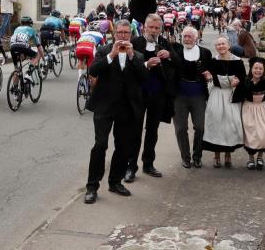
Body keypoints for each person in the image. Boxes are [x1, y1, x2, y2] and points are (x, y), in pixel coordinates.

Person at [84, 20, 147, 204]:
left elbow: (144, 78)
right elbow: (93, 71)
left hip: (126, 108)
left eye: (126, 33)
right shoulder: (104, 51)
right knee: (100, 145)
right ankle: (92, 186)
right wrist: (111, 55)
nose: (123, 36)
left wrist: (132, 57)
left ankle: (115, 181)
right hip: (104, 106)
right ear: (114, 33)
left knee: (123, 147)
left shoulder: (137, 55)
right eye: (119, 32)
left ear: (131, 35)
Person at [126, 14, 174, 181]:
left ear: (160, 29)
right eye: (151, 27)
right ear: (144, 27)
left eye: (157, 28)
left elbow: (176, 61)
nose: (154, 31)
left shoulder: (164, 43)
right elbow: (128, 66)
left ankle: (148, 163)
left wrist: (169, 55)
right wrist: (146, 65)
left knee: (152, 131)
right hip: (138, 94)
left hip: (157, 93)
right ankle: (131, 166)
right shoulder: (136, 42)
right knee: (135, 131)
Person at [170, 26, 213, 169]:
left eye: (189, 36)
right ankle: (185, 157)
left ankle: (197, 156)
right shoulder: (175, 50)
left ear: (196, 38)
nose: (186, 39)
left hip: (199, 95)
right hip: (179, 96)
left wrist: (209, 77)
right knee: (181, 128)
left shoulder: (205, 53)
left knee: (200, 127)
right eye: (185, 36)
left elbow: (211, 71)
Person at [201, 35, 245, 169]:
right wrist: (209, 77)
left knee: (230, 124)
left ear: (229, 45)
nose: (221, 46)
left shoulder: (238, 61)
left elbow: (243, 78)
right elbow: (208, 75)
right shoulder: (213, 60)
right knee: (217, 123)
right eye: (218, 44)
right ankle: (217, 155)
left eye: (223, 44)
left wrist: (238, 81)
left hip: (231, 96)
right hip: (217, 94)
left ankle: (228, 154)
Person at [232, 57, 265, 170]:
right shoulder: (245, 81)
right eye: (256, 68)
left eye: (260, 68)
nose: (258, 70)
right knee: (251, 133)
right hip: (248, 108)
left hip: (261, 108)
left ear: (264, 70)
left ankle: (260, 157)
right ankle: (250, 158)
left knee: (263, 132)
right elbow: (238, 95)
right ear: (251, 69)